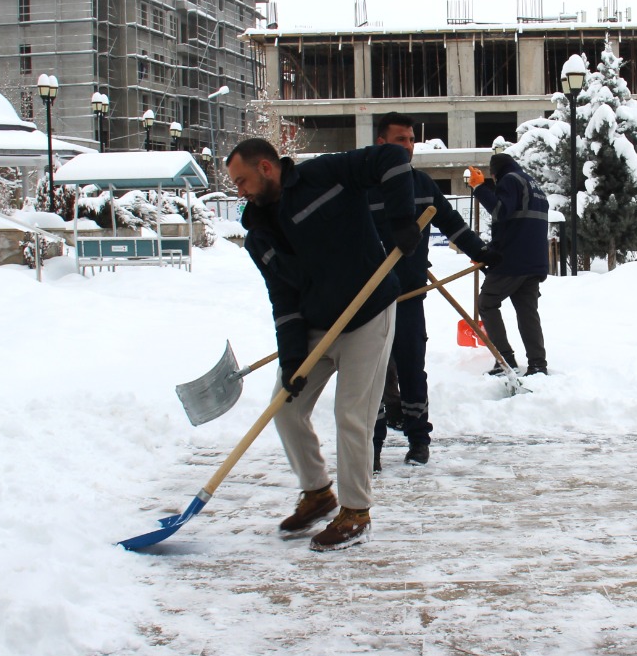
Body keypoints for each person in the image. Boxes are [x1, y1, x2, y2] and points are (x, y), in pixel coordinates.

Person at [227, 136, 417, 551]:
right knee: (286, 407)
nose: (239, 192)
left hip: (367, 313)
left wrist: (402, 218)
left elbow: (391, 157)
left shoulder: (324, 175)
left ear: (265, 168)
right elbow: (283, 297)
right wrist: (294, 357)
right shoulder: (259, 235)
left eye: (241, 181)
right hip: (317, 324)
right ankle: (317, 493)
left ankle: (356, 512)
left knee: (351, 414)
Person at [367, 114, 498, 471]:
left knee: (412, 370)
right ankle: (371, 446)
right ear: (381, 144)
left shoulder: (421, 184)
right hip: (369, 302)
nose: (408, 146)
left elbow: (452, 224)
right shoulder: (364, 188)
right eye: (401, 139)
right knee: (372, 375)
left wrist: (482, 253)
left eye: (411, 140)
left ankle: (418, 441)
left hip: (410, 296)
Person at [467, 150, 551, 375]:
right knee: (527, 311)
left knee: (487, 303)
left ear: (495, 174)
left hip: (513, 261)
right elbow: (518, 226)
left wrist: (479, 188)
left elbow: (501, 212)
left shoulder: (510, 180)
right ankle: (538, 364)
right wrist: (488, 251)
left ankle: (505, 360)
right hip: (534, 261)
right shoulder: (533, 185)